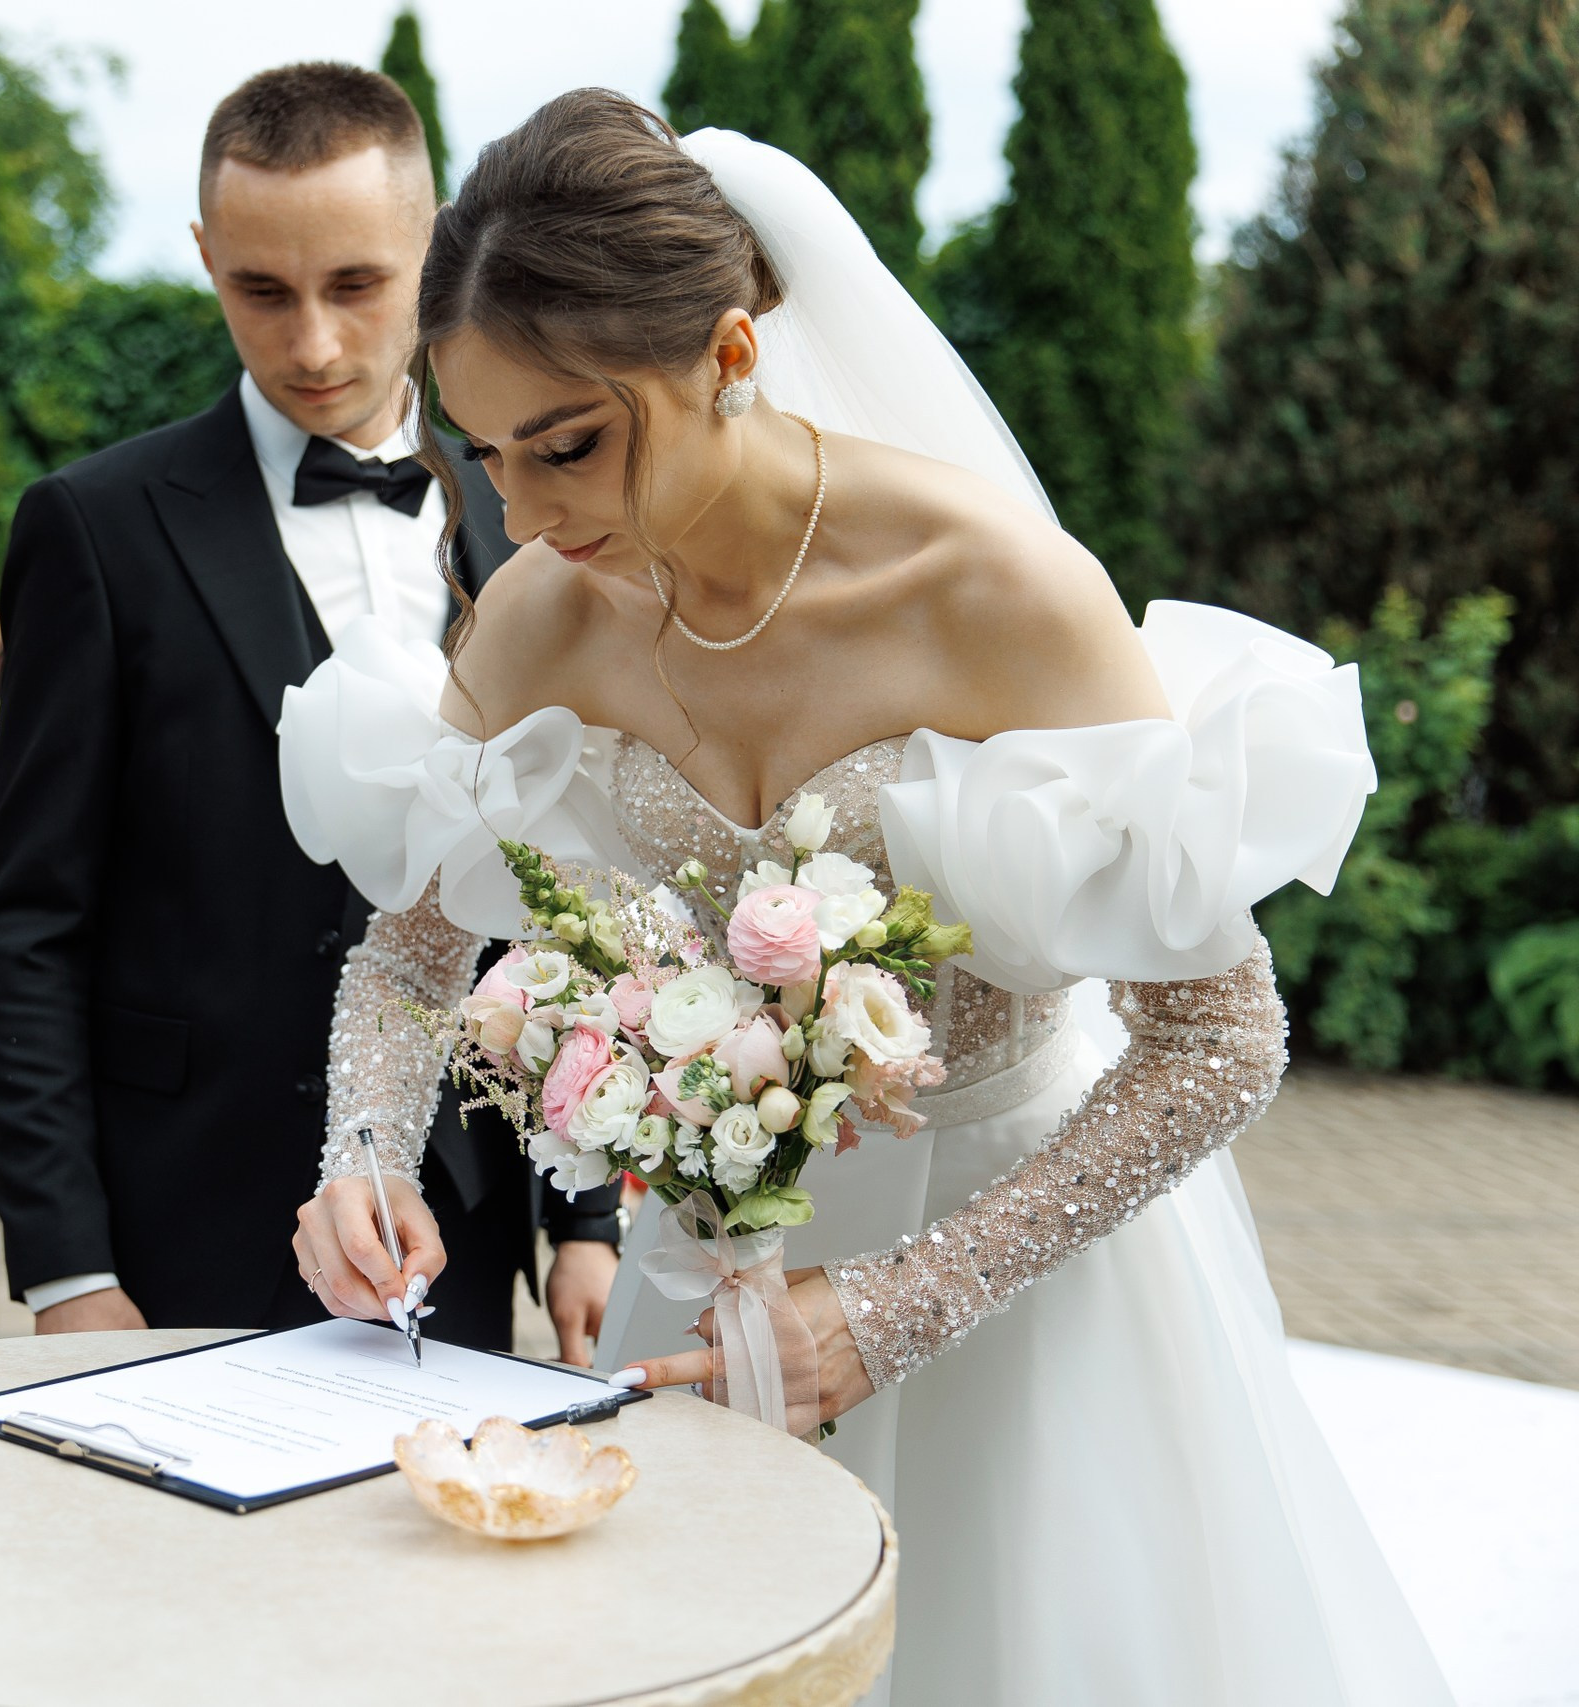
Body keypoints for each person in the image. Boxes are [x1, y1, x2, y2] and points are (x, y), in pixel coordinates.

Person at [276, 96, 1450, 1706]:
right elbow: (409, 954)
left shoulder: (991, 590)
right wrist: (364, 1156)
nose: (529, 516)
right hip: (700, 1303)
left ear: (733, 355)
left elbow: (1222, 1037)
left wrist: (906, 1303)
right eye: (483, 455)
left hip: (1021, 1297)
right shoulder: (544, 614)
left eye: (571, 441)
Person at [0, 63, 621, 1344]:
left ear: (436, 249)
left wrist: (584, 1221)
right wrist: (65, 1267)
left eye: (356, 285)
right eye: (260, 291)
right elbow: (30, 922)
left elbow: (576, 881)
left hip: (464, 1199)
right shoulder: (94, 528)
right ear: (206, 257)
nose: (312, 343)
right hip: (180, 1210)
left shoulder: (545, 519)